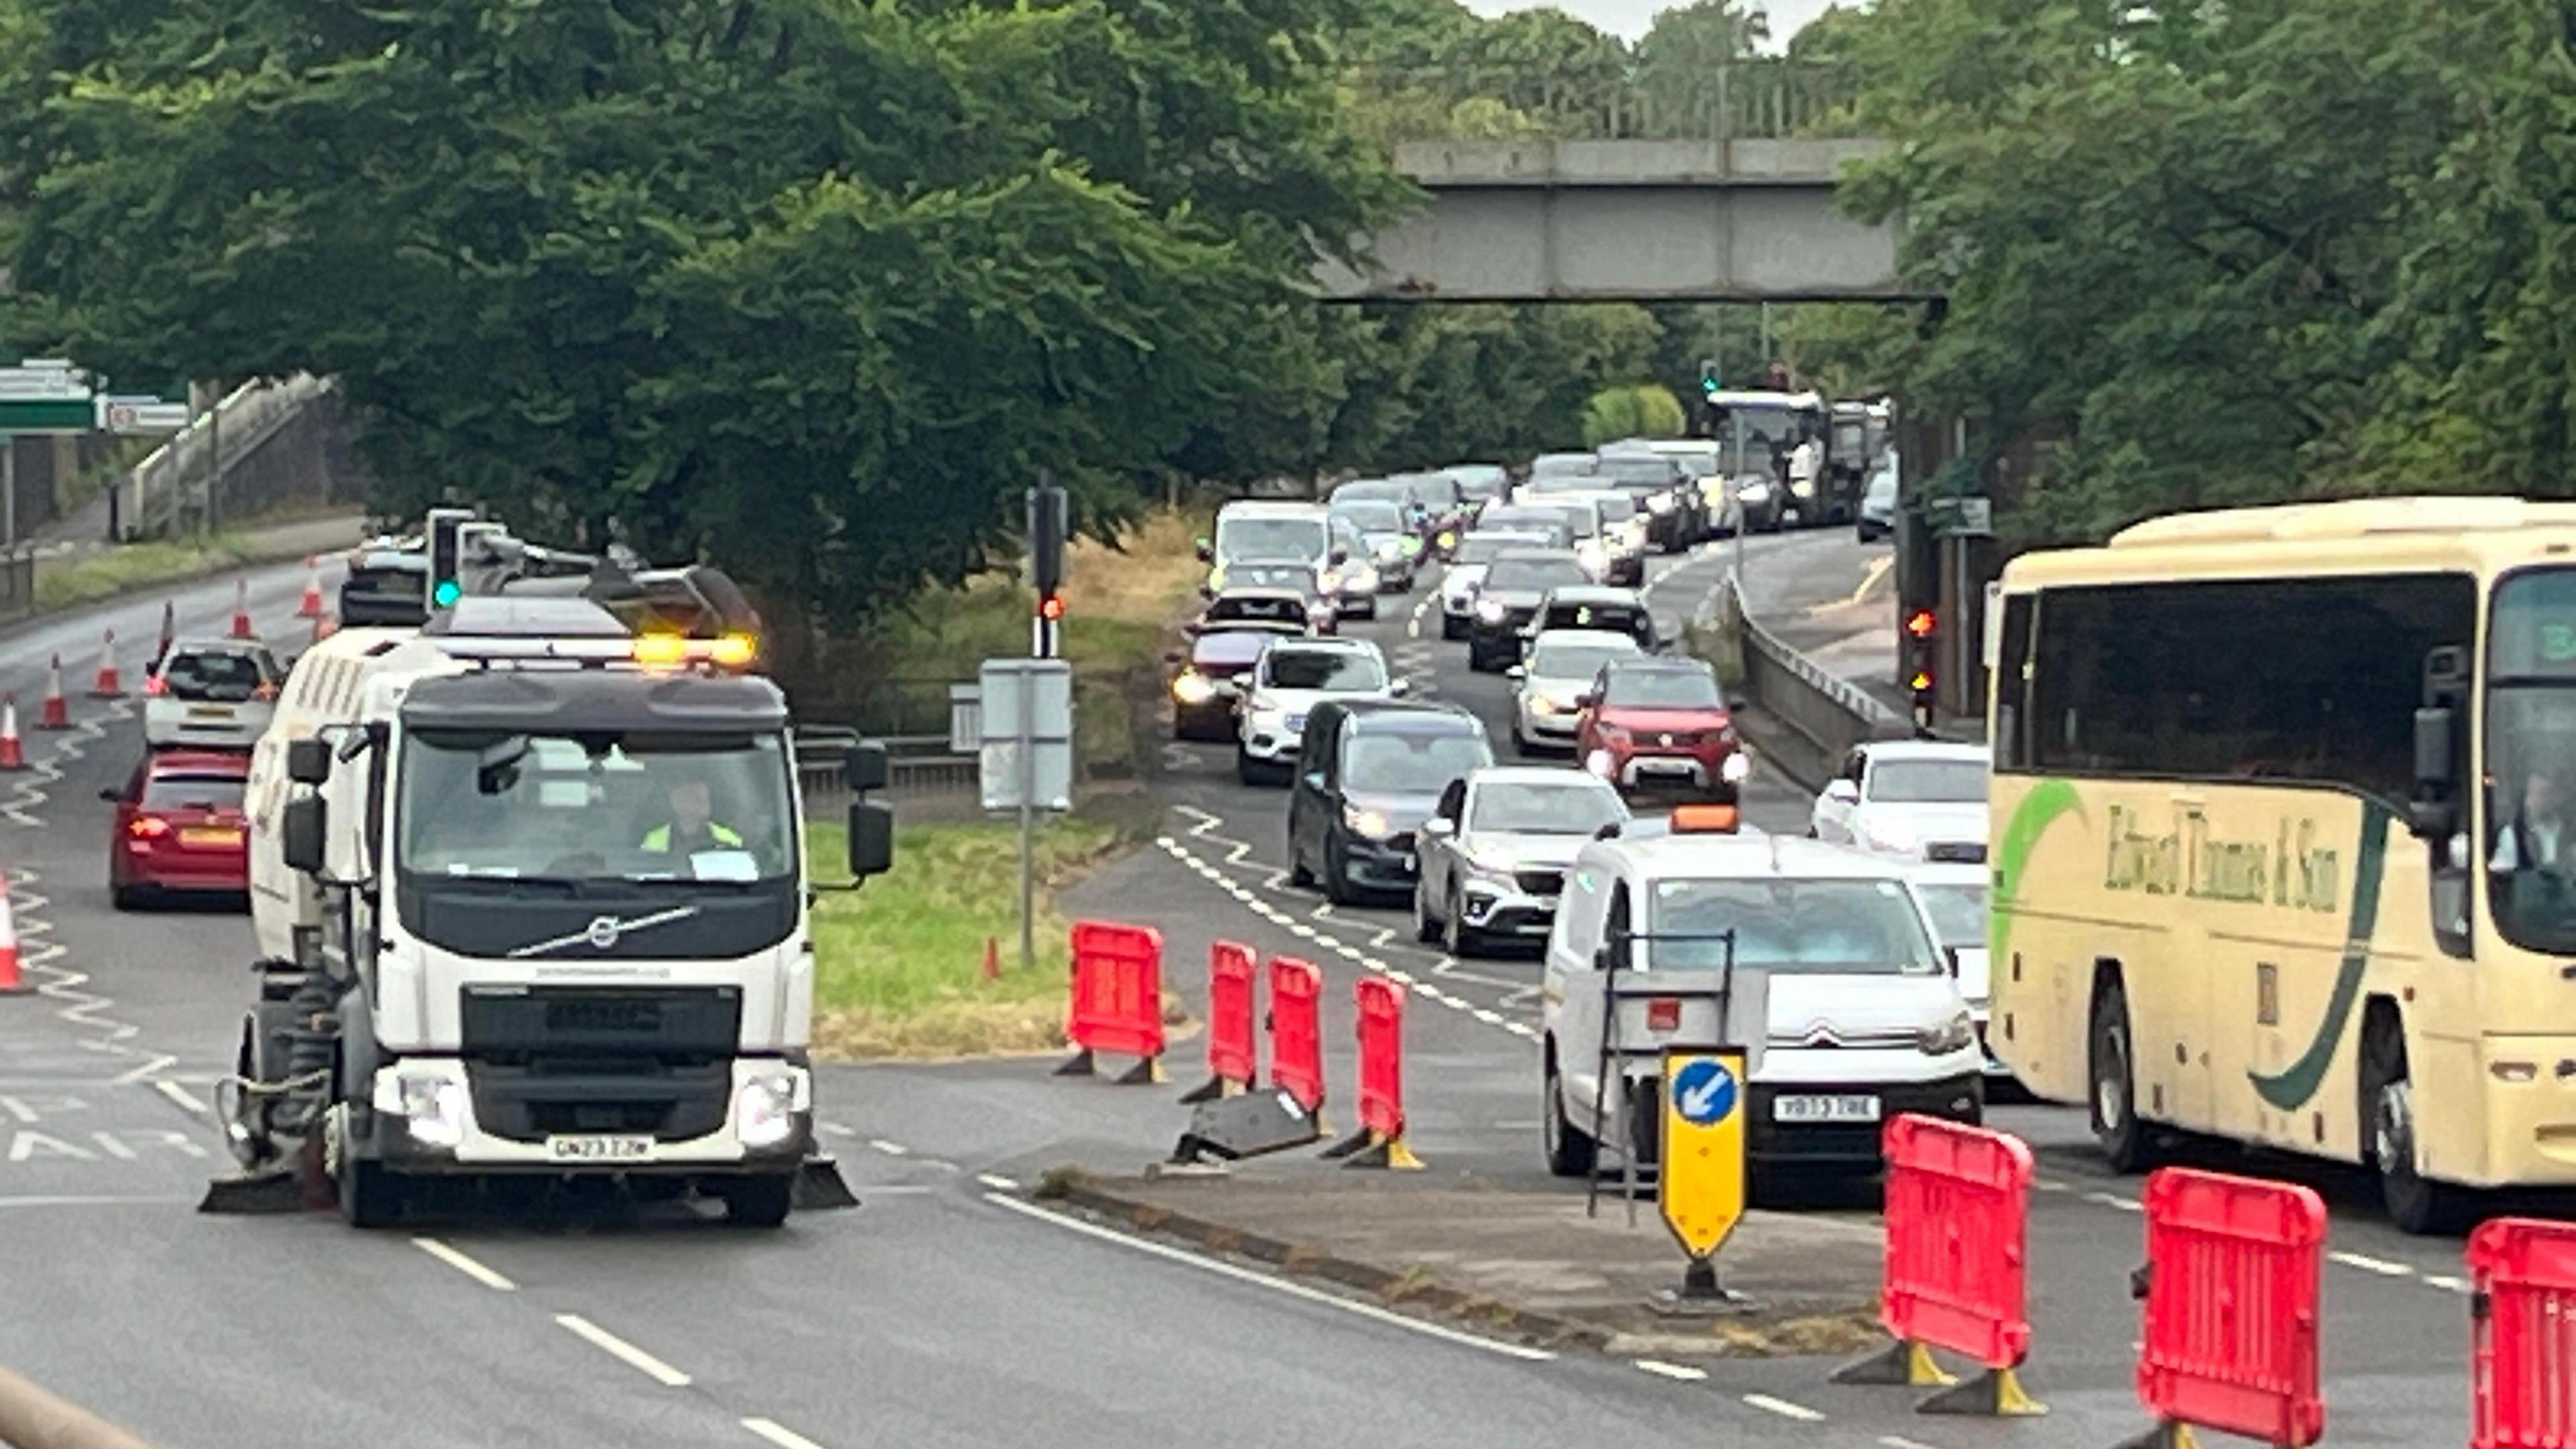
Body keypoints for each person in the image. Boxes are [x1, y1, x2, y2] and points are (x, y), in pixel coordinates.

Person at [2491, 765, 2572, 874]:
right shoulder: (2512, 835)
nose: (2539, 801)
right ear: (2526, 799)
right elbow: (2501, 877)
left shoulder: (2571, 832)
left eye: (2546, 794)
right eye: (2535, 794)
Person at [641, 778, 744, 855]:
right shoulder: (654, 840)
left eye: (706, 798)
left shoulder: (730, 839)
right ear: (676, 803)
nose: (704, 803)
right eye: (696, 798)